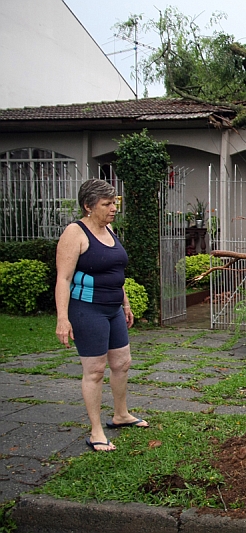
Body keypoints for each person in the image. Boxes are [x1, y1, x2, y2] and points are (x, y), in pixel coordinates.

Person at [55, 179, 149, 452]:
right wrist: (63, 318)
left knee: (121, 363)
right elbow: (63, 279)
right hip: (87, 310)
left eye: (114, 203)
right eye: (107, 204)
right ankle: (96, 431)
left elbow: (116, 272)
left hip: (113, 309)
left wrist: (126, 303)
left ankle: (121, 415)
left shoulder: (108, 229)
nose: (113, 208)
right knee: (95, 371)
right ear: (88, 206)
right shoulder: (75, 232)